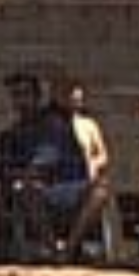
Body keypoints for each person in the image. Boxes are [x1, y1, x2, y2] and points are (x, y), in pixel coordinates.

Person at [0, 70, 92, 258]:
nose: (20, 101)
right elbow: (1, 169)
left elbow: (48, 160)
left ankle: (69, 249)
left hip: (67, 190)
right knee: (24, 190)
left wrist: (28, 174)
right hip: (32, 195)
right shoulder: (9, 136)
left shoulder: (55, 125)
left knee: (100, 190)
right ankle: (53, 250)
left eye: (25, 94)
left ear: (37, 96)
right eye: (15, 95)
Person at [54, 79, 121, 261]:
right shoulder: (52, 124)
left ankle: (70, 247)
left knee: (101, 192)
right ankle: (53, 246)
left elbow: (103, 154)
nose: (75, 100)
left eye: (78, 96)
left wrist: (94, 163)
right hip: (59, 183)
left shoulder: (89, 124)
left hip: (85, 181)